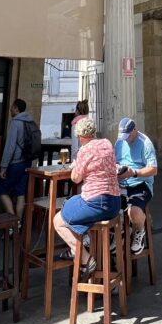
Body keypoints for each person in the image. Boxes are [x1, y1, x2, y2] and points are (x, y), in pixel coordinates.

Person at [53, 117, 121, 277]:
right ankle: (77, 248)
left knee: (58, 220)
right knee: (72, 207)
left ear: (80, 136)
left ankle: (84, 257)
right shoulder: (107, 143)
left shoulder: (84, 150)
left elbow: (76, 179)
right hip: (114, 202)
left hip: (96, 203)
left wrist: (76, 165)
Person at [114, 117, 158, 255]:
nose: (125, 139)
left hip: (140, 183)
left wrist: (134, 173)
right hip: (121, 182)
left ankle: (140, 230)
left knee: (133, 211)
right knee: (107, 206)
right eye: (123, 136)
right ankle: (117, 235)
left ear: (135, 130)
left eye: (128, 136)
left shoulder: (145, 143)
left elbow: (154, 169)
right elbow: (114, 161)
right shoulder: (119, 141)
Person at [0, 98, 38, 219]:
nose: (10, 109)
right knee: (21, 193)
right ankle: (19, 222)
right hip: (27, 162)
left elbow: (10, 147)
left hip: (15, 163)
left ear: (16, 108)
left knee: (2, 191)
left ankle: (12, 222)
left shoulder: (15, 123)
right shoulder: (31, 122)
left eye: (12, 107)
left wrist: (3, 167)